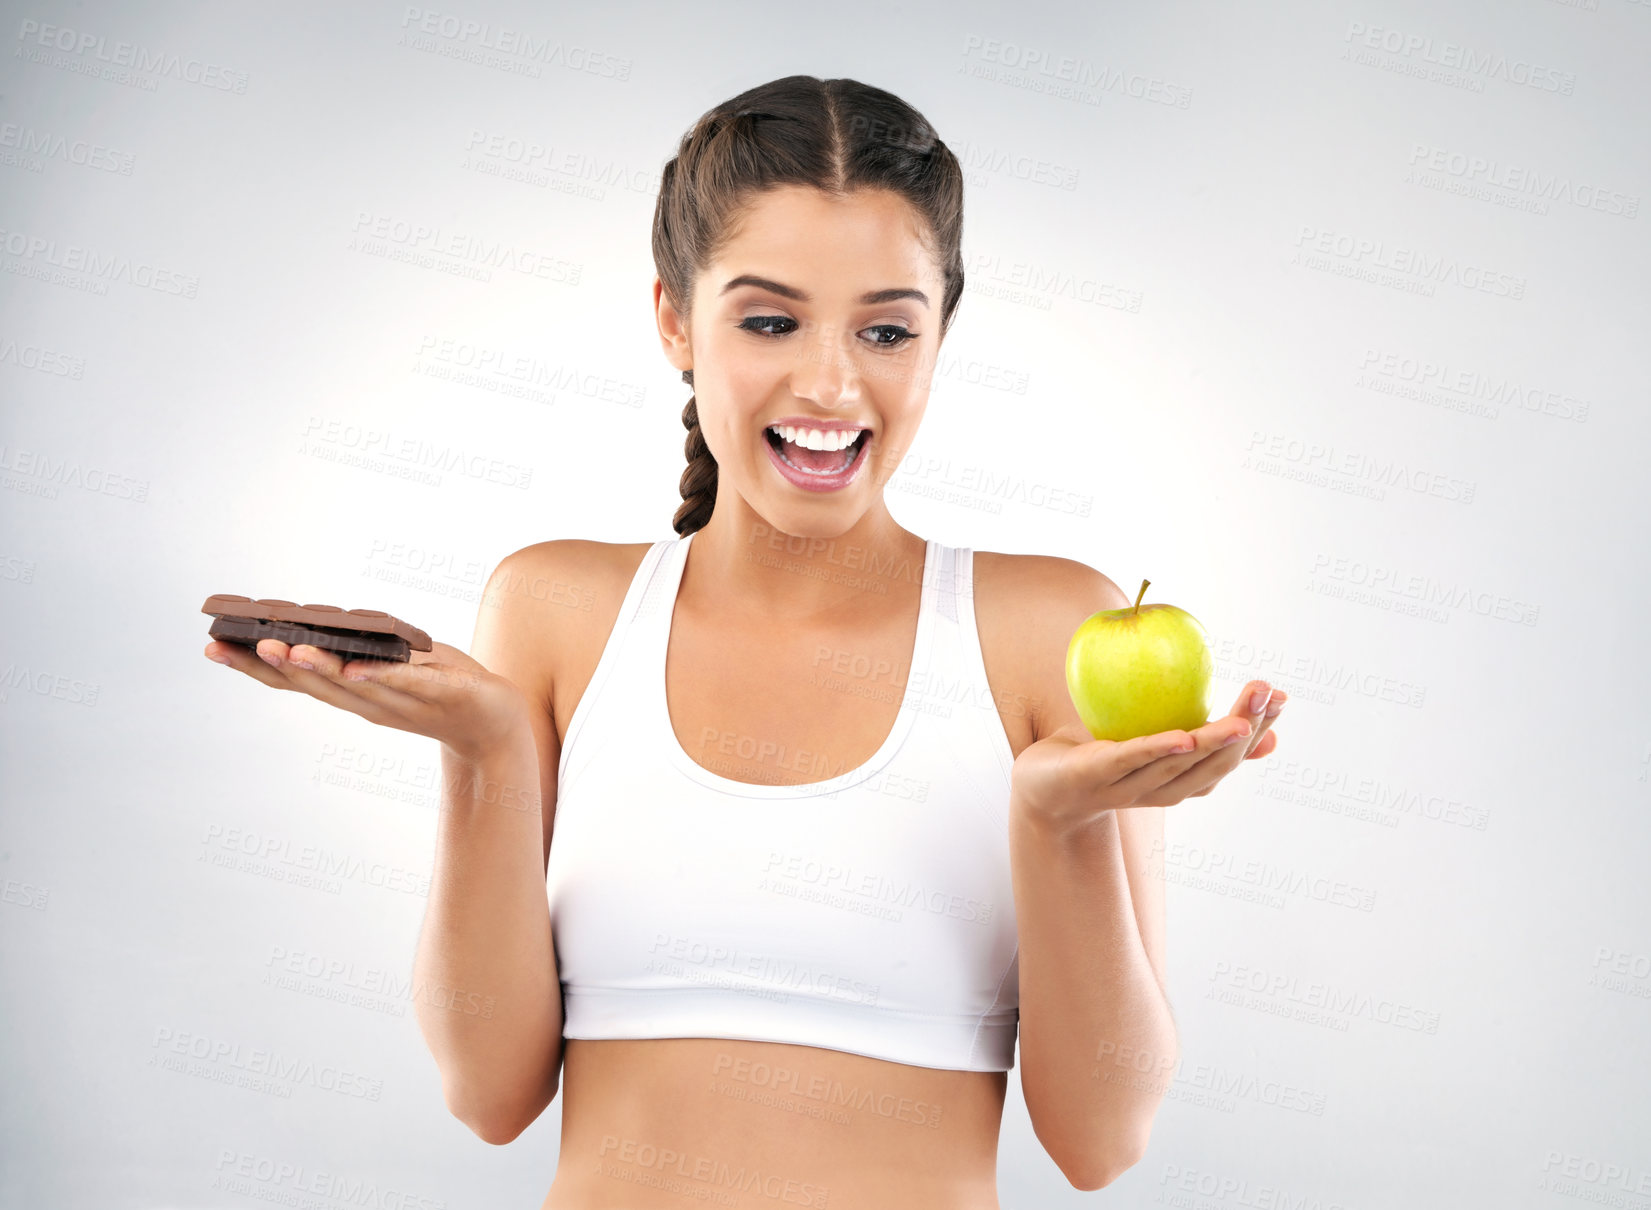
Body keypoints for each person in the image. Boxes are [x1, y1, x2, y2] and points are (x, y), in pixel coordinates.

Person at [204, 75, 1286, 1209]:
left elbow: (1100, 1141)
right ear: (673, 316)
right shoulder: (555, 610)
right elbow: (488, 1094)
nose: (829, 380)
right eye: (769, 320)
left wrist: (1058, 824)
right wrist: (487, 752)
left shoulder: (1050, 627)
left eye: (885, 329)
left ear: (939, 337)